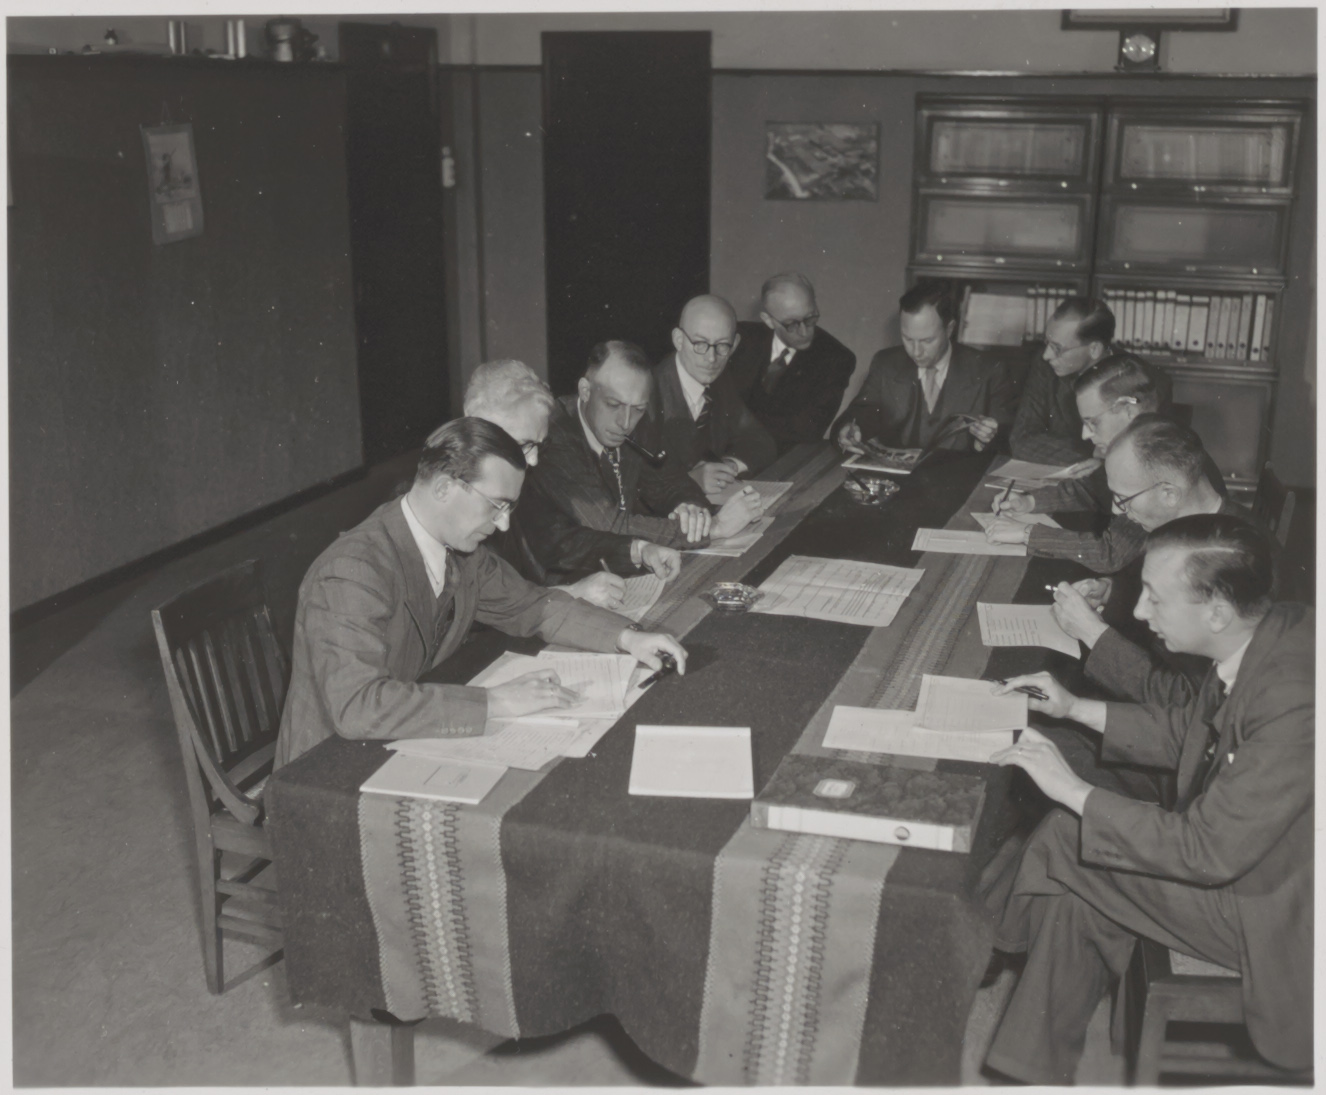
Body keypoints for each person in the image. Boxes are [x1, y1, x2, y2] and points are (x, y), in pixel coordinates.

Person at [983, 515, 1312, 1084]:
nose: (1138, 612)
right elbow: (1193, 732)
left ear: (1216, 613)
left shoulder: (1296, 703)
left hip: (1278, 915)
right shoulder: (1268, 633)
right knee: (1080, 890)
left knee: (1069, 834)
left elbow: (1206, 851)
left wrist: (1073, 789)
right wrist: (1074, 707)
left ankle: (986, 948)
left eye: (1155, 599)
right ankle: (1027, 1070)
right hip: (1252, 864)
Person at [275, 417, 687, 768]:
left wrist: (628, 637)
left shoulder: (462, 552)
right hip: (326, 769)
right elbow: (358, 707)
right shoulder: (352, 570)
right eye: (497, 506)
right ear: (443, 488)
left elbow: (535, 606)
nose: (503, 525)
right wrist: (497, 703)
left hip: (405, 739)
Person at [1047, 413, 1262, 699]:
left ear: (1169, 494)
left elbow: (1187, 698)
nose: (1116, 510)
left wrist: (1092, 633)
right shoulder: (1190, 528)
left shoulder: (1234, 564)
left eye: (1123, 499)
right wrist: (1111, 590)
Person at [521, 340, 764, 583]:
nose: (625, 423)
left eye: (638, 408)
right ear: (585, 391)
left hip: (618, 570)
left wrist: (689, 508)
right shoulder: (553, 433)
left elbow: (670, 480)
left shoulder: (635, 421)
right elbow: (610, 525)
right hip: (557, 583)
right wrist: (714, 527)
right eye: (613, 404)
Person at [457, 358, 626, 609]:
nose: (534, 460)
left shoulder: (520, 479)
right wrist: (572, 593)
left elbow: (557, 539)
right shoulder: (455, 497)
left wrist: (636, 550)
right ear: (480, 430)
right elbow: (480, 605)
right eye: (525, 444)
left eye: (539, 445)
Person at [984, 353, 1166, 571]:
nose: (1084, 435)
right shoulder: (1141, 446)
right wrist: (1030, 501)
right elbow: (1093, 492)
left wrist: (1027, 533)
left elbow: (1109, 554)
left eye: (1093, 423)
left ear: (1129, 411)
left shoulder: (1153, 464)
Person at [833, 278, 1013, 455]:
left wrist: (986, 439)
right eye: (908, 339)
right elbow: (860, 413)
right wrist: (848, 430)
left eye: (927, 340)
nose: (916, 351)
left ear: (949, 329)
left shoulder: (989, 370)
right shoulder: (886, 363)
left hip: (956, 471)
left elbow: (1007, 442)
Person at [654, 294, 777, 495]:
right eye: (700, 344)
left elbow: (760, 441)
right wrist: (690, 481)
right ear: (678, 340)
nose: (711, 358)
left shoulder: (719, 380)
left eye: (722, 345)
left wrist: (729, 466)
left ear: (734, 344)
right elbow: (634, 482)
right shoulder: (648, 392)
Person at [724, 272, 856, 454]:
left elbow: (807, 430)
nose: (804, 332)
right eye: (791, 324)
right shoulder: (737, 338)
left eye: (810, 319)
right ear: (768, 321)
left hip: (781, 458)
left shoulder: (836, 358)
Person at [1009, 297, 1150, 465]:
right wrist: (1092, 456)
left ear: (1094, 349)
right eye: (1047, 342)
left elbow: (1143, 454)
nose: (1046, 355)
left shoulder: (1140, 379)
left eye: (1057, 348)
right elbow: (1021, 439)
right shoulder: (1045, 367)